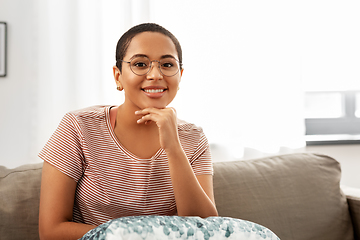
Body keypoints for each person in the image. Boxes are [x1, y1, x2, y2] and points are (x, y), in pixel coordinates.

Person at [38, 23, 218, 240]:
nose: (155, 75)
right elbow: (51, 231)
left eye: (167, 64)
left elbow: (208, 229)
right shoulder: (78, 127)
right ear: (118, 76)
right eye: (140, 64)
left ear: (180, 76)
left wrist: (173, 148)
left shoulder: (193, 138)